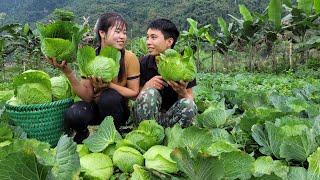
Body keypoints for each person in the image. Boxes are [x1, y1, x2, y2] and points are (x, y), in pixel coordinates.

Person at [47, 12, 140, 143]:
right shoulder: (90, 58)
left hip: (117, 110)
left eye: (124, 32)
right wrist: (68, 72)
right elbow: (87, 96)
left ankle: (114, 132)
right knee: (73, 113)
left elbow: (135, 94)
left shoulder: (130, 58)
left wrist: (109, 86)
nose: (122, 37)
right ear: (102, 33)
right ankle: (83, 133)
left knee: (109, 97)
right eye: (118, 32)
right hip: (96, 109)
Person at [133, 18, 197, 128]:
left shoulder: (184, 64)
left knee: (189, 105)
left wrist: (182, 92)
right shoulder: (143, 62)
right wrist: (146, 87)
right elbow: (135, 99)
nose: (148, 42)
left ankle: (174, 138)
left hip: (170, 118)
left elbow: (190, 99)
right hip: (147, 120)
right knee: (149, 93)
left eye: (153, 37)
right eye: (147, 37)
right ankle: (146, 134)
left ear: (169, 42)